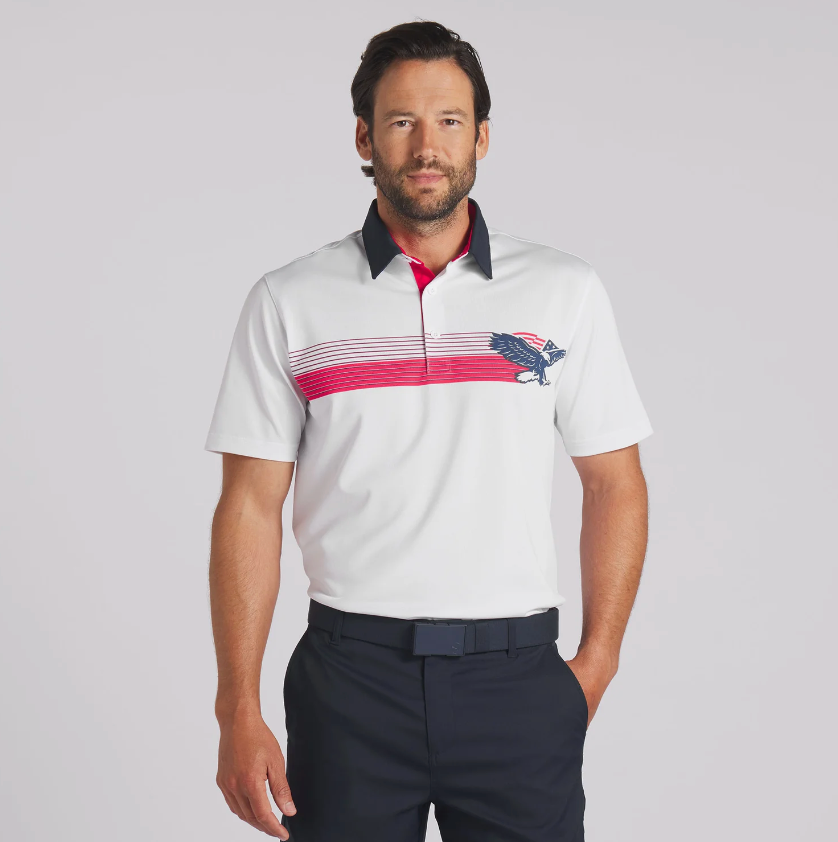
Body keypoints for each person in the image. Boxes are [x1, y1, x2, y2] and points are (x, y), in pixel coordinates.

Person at [204, 20, 652, 842]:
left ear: (481, 137)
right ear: (364, 138)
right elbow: (248, 507)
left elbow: (614, 482)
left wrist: (596, 663)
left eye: (449, 120)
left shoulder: (565, 292)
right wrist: (237, 705)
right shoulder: (290, 300)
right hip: (349, 684)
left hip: (518, 681)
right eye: (401, 121)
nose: (426, 146)